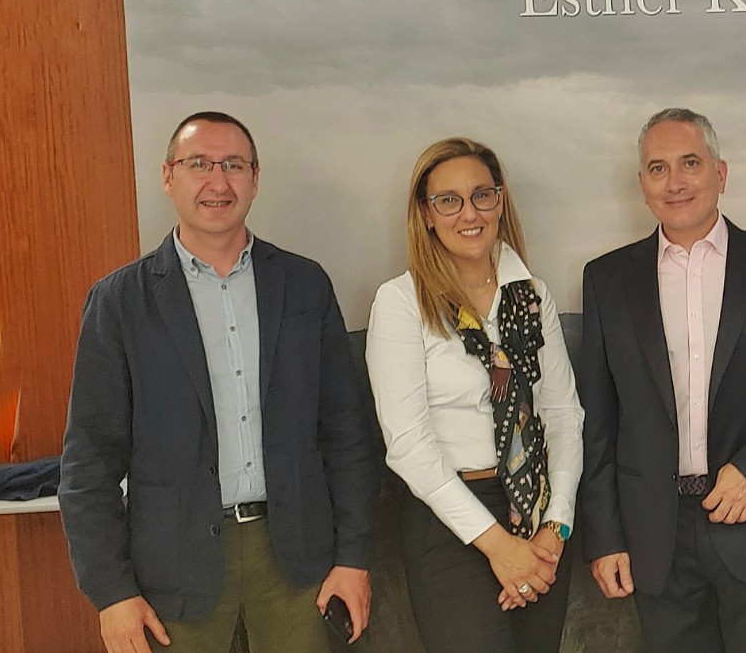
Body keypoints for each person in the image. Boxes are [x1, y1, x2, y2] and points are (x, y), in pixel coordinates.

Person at [60, 111, 382, 652]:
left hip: (297, 561)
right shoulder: (119, 303)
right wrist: (111, 593)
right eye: (199, 164)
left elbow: (347, 436)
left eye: (233, 165)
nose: (218, 181)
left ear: (255, 178)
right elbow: (88, 462)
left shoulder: (304, 285)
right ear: (168, 176)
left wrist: (354, 557)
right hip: (172, 569)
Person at [577, 107, 746, 652]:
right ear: (642, 184)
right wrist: (604, 537)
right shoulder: (606, 279)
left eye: (690, 163)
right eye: (658, 168)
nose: (674, 182)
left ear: (720, 174)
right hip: (655, 539)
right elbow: (598, 419)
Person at [366, 138, 585, 652]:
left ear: (500, 202)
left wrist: (556, 527)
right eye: (449, 200)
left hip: (538, 515)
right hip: (451, 525)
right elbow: (408, 446)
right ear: (426, 214)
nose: (469, 213)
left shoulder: (531, 295)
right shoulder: (401, 302)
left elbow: (562, 413)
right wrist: (498, 548)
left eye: (481, 195)